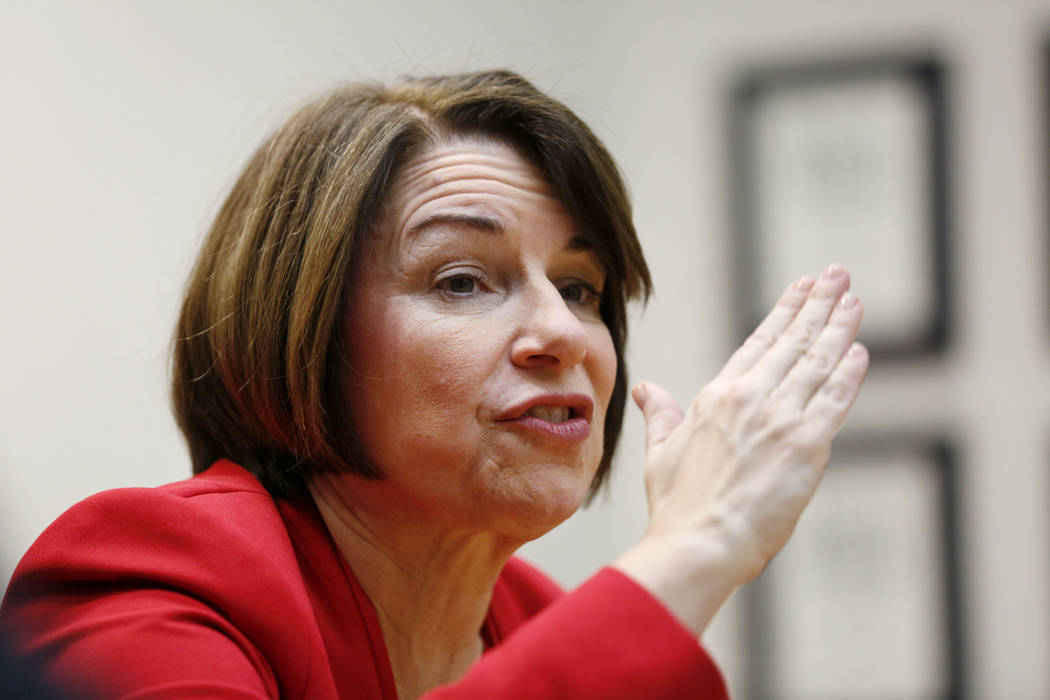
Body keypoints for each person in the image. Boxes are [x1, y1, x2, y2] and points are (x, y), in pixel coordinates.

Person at [0, 70, 868, 699]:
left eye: (580, 289)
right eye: (462, 281)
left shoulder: (541, 625)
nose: (563, 332)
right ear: (300, 338)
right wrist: (693, 549)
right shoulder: (150, 577)